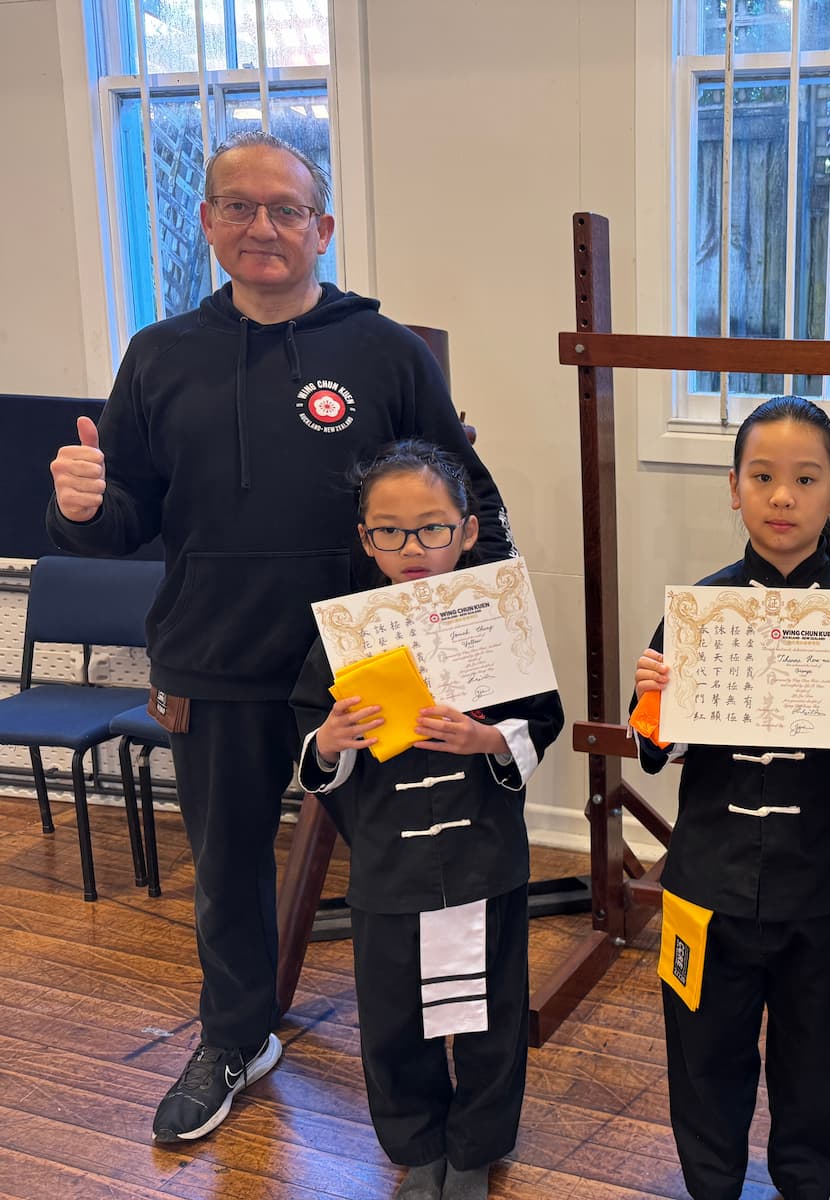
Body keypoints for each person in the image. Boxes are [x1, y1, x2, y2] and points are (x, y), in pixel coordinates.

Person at [45, 130, 514, 1144]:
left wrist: (480, 645)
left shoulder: (383, 351)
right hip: (216, 656)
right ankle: (235, 1038)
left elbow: (464, 501)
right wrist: (83, 507)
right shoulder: (158, 355)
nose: (265, 227)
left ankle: (445, 1067)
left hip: (371, 663)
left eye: (287, 209)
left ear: (322, 228)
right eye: (241, 207)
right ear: (207, 222)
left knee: (410, 857)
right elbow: (127, 511)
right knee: (226, 870)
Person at [631, 396, 830, 1200]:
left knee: (813, 1050)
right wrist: (651, 699)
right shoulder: (697, 611)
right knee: (702, 1048)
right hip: (705, 880)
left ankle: (806, 1183)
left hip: (818, 884)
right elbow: (654, 752)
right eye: (762, 477)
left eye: (806, 478)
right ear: (734, 488)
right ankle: (712, 1182)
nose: (783, 497)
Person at [291, 441, 562, 1200]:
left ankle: (476, 1147)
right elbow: (309, 742)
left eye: (432, 528)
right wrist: (331, 740)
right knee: (393, 1016)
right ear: (365, 537)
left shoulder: (497, 624)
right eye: (390, 531)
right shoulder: (343, 636)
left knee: (490, 1009)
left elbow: (543, 720)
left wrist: (486, 739)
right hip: (389, 861)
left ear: (469, 531)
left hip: (483, 854)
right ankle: (417, 1146)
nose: (413, 548)